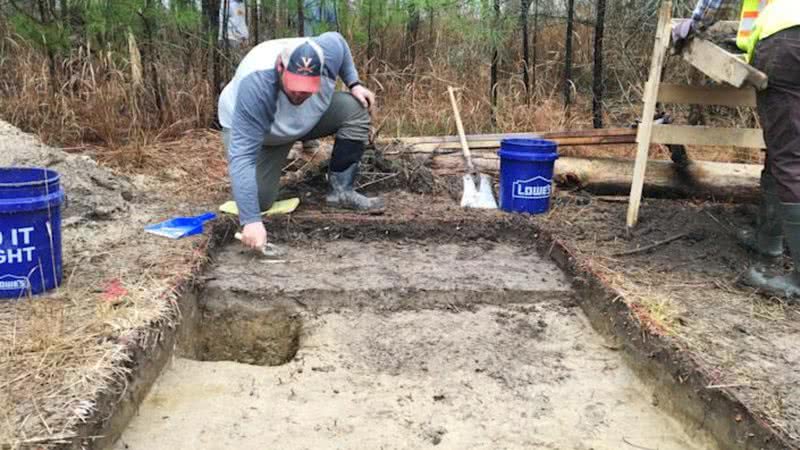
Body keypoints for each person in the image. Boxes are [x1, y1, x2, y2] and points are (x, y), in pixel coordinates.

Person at [673, 0, 800, 299]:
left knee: (789, 158)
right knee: (784, 148)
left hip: (788, 40)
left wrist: (696, 22)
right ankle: (769, 241)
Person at [218, 32, 384, 250]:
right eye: (294, 86)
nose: (299, 95)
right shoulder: (257, 84)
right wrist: (251, 221)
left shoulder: (328, 52)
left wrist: (354, 83)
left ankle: (341, 191)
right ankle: (267, 176)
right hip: (264, 132)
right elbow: (242, 156)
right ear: (280, 68)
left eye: (307, 89)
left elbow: (340, 43)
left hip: (303, 121)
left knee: (356, 109)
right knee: (259, 202)